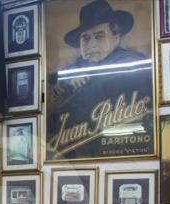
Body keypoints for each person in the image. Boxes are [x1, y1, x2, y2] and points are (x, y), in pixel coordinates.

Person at [47, 0, 151, 160]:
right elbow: (51, 105)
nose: (91, 44)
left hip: (122, 148)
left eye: (99, 36)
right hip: (79, 151)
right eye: (85, 39)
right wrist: (64, 84)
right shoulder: (72, 69)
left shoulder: (130, 61)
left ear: (116, 37)